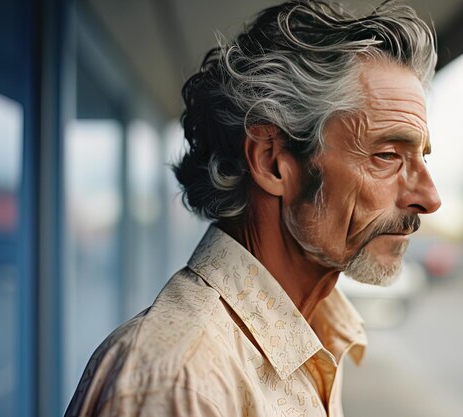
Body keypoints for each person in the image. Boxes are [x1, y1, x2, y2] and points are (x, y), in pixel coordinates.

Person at [65, 0, 440, 416]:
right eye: (387, 156)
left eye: (424, 158)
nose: (429, 197)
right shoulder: (180, 383)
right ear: (271, 161)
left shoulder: (314, 331)